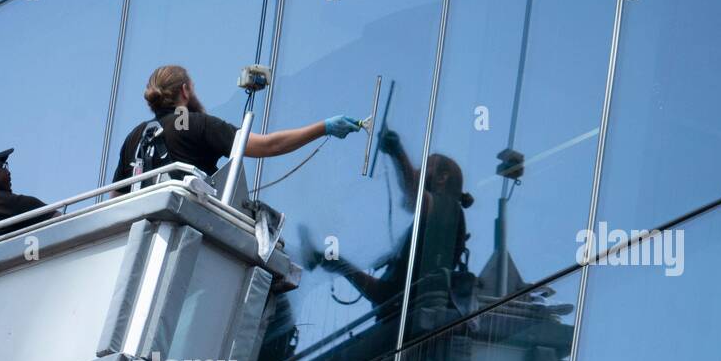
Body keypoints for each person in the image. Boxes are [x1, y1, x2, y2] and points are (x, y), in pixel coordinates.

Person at [112, 64, 362, 192]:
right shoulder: (193, 123)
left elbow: (116, 198)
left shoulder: (135, 137)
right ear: (185, 91)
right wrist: (324, 127)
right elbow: (268, 145)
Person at [313, 129, 473, 317]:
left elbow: (414, 195)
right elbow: (385, 295)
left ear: (441, 177)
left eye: (426, 166)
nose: (417, 170)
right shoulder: (422, 239)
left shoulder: (449, 209)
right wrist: (335, 263)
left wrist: (397, 151)